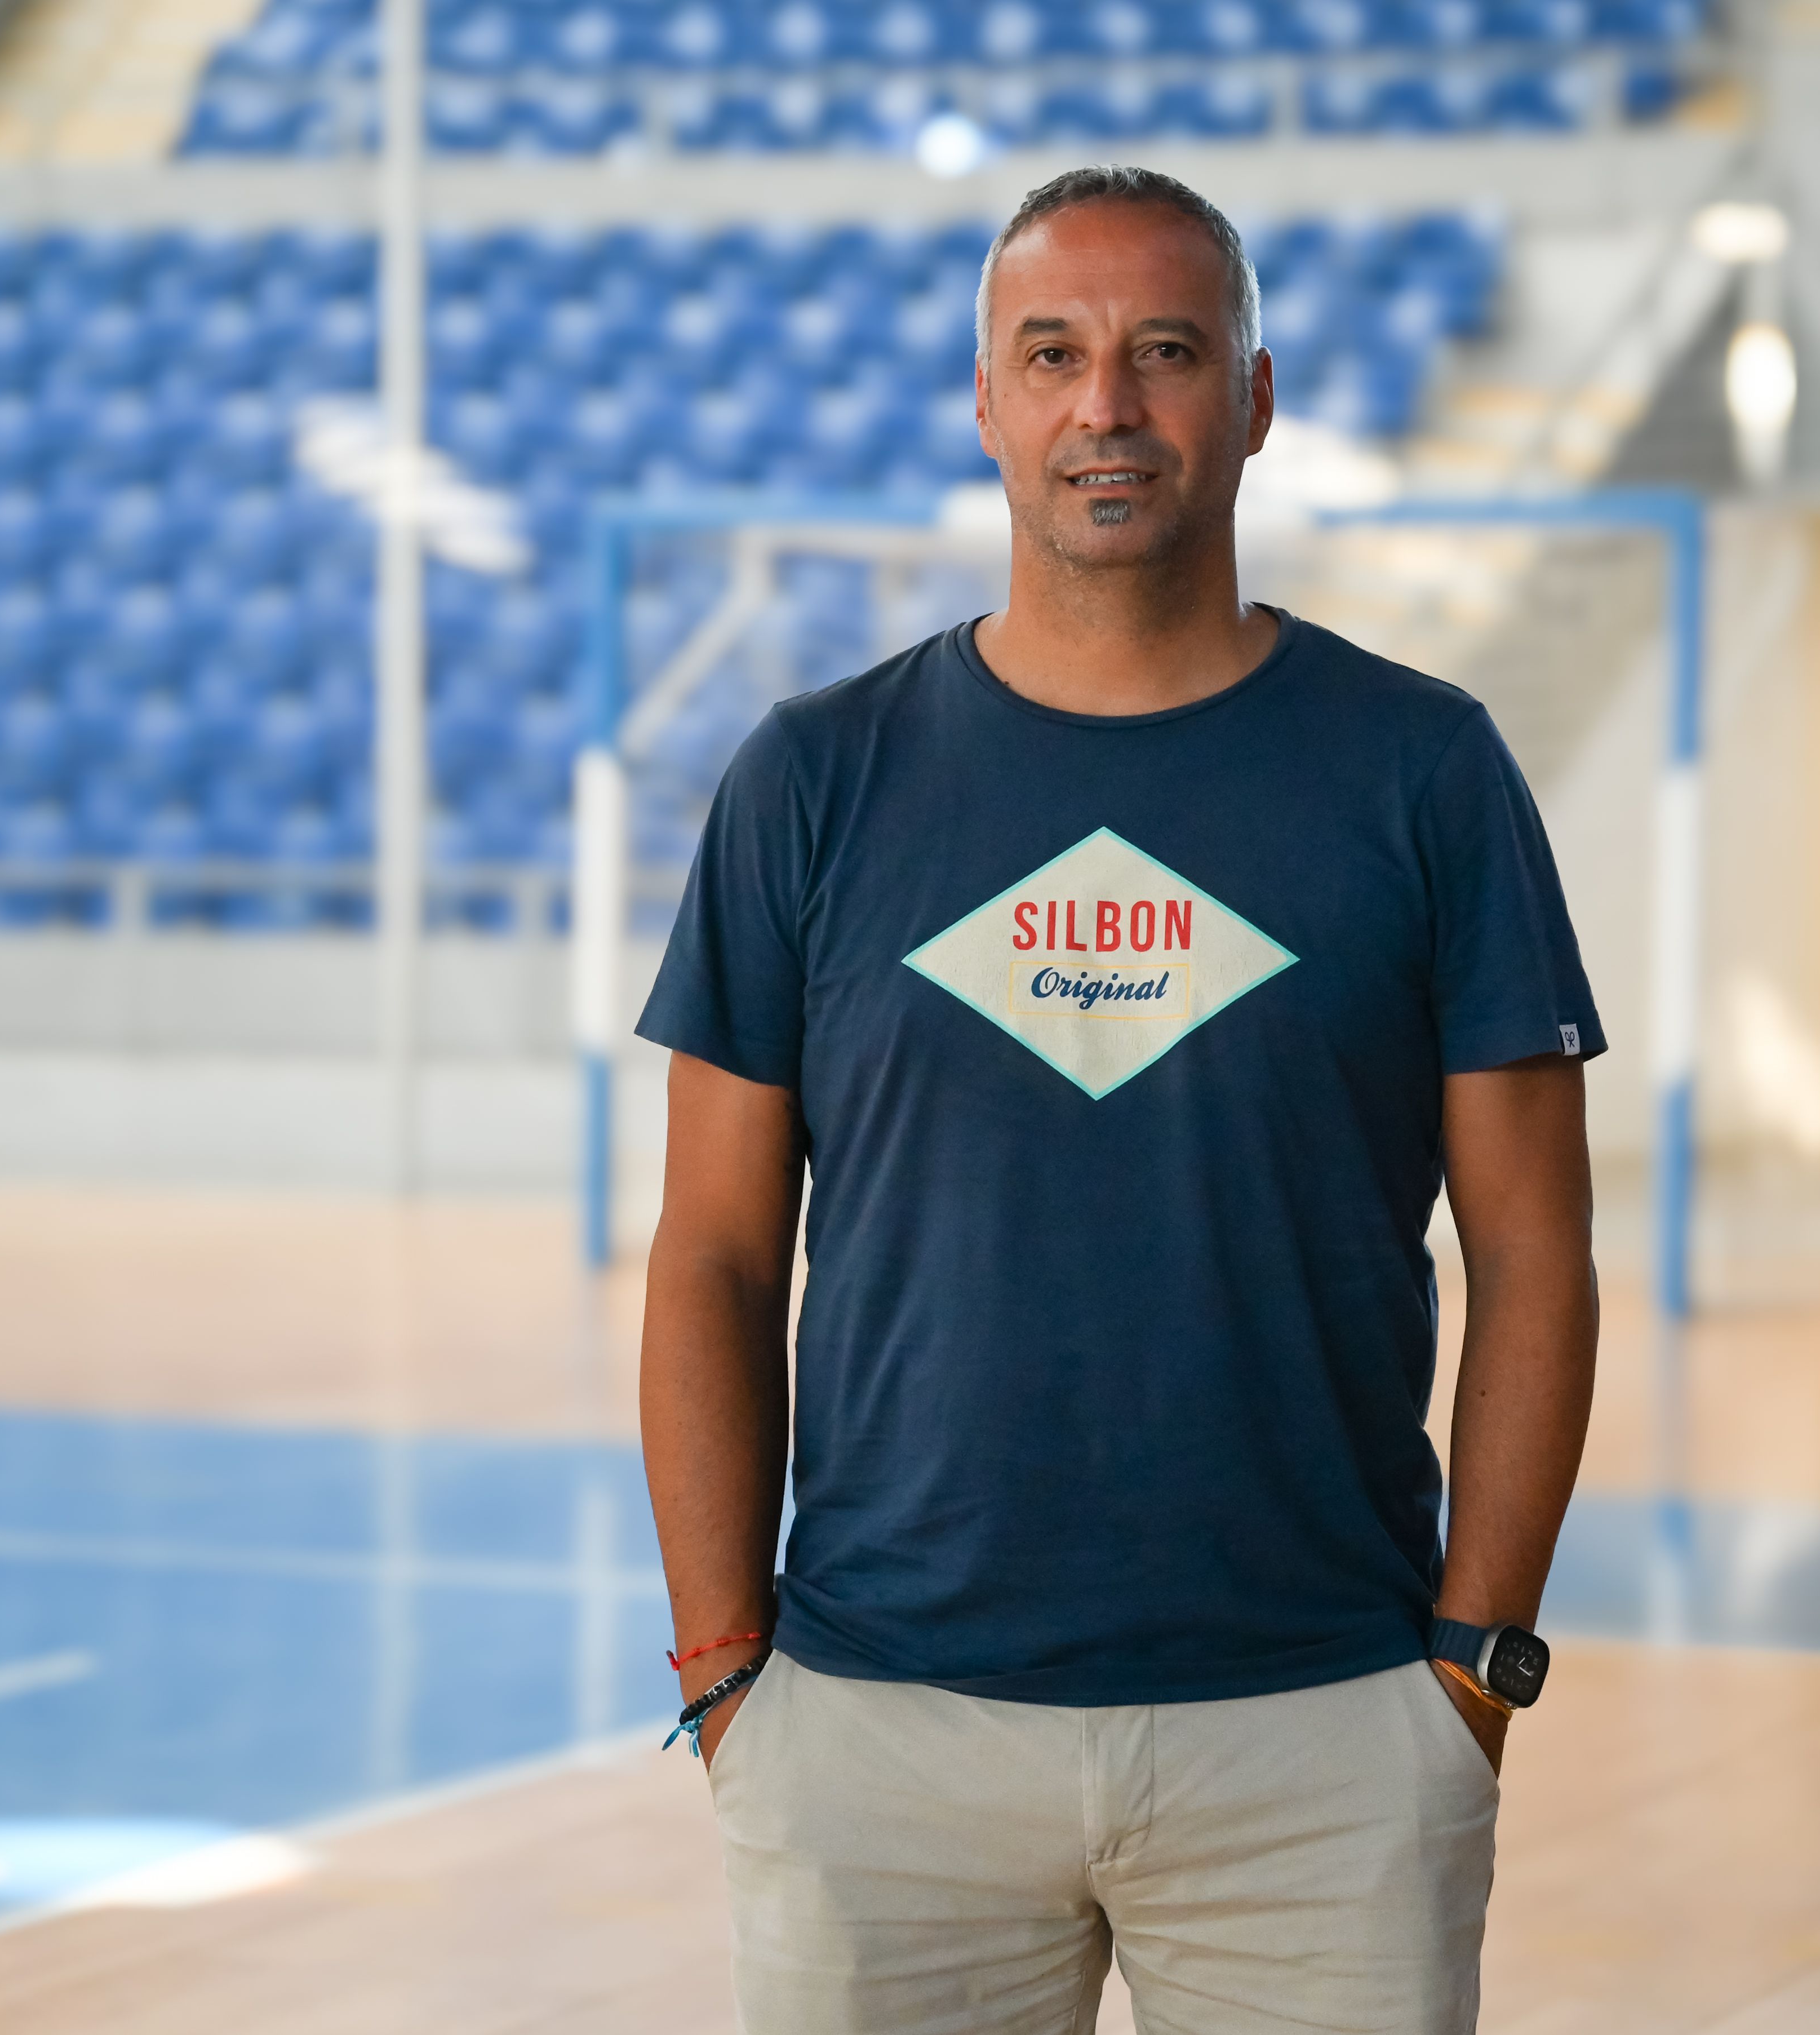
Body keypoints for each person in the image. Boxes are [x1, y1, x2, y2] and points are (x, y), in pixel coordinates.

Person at [637, 163, 1601, 2035]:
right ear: (986, 401)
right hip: (879, 1734)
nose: (1109, 406)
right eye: (1054, 354)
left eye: (1168, 352)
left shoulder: (1427, 773)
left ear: (1254, 398)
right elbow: (715, 1254)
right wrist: (727, 1671)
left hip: (1321, 1740)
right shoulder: (813, 780)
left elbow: (1538, 1253)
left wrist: (1471, 1668)